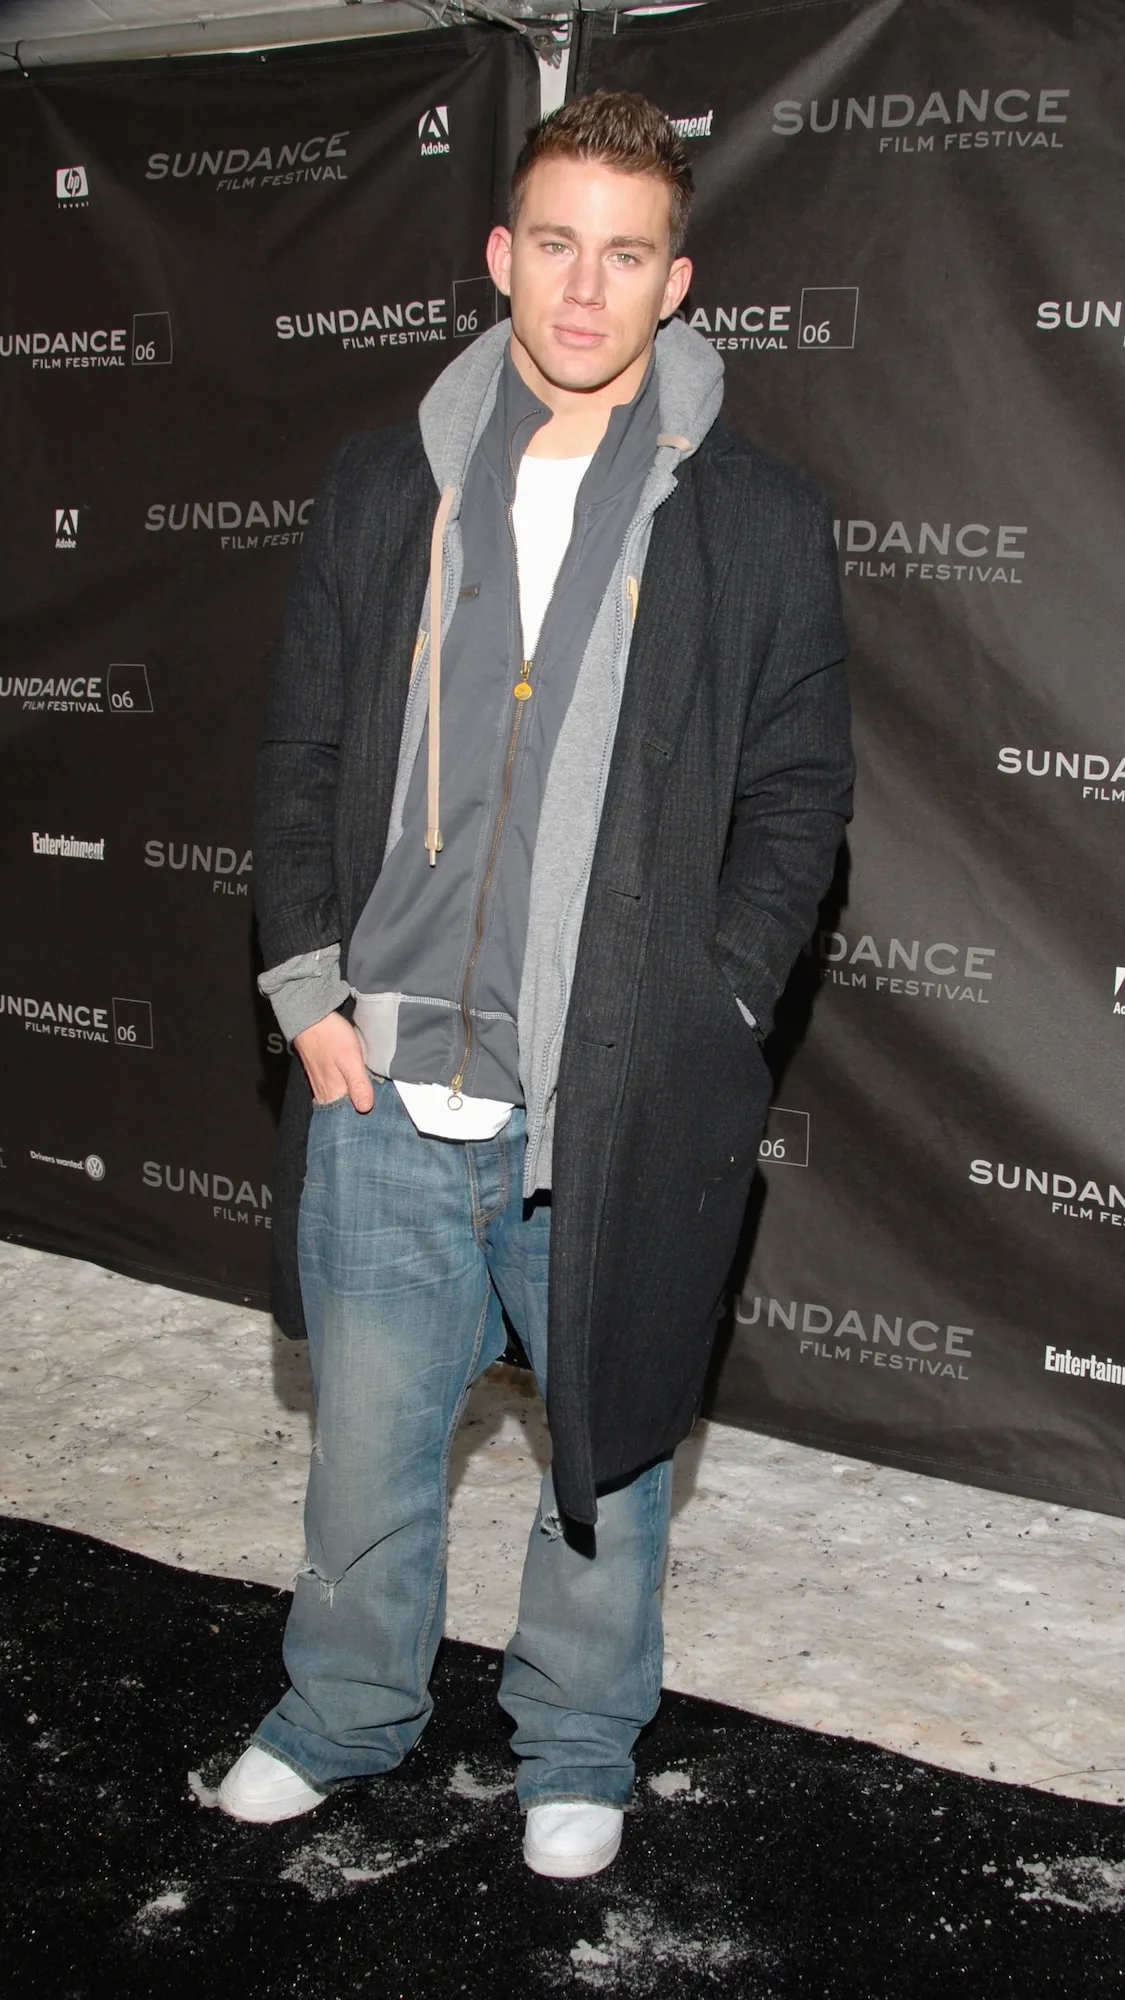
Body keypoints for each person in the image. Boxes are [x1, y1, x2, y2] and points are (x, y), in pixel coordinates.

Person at [219, 90, 852, 1878]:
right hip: (382, 1082)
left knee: (609, 1462)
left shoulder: (757, 518)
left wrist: (712, 1010)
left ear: (677, 282)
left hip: (614, 1099)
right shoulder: (383, 484)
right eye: (556, 244)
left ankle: (578, 1741)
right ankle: (340, 1713)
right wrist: (306, 989)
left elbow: (801, 799)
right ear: (501, 255)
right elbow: (300, 746)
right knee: (363, 1462)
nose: (586, 287)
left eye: (625, 254)